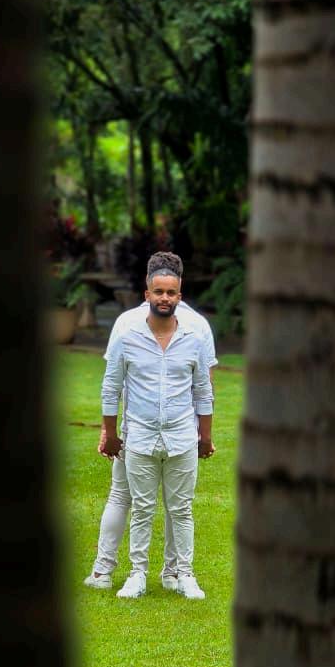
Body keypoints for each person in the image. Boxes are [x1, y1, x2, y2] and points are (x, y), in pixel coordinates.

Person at [84, 252, 217, 592]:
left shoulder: (190, 330)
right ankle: (156, 573)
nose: (164, 296)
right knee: (151, 505)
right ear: (148, 289)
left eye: (171, 291)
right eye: (159, 291)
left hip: (174, 430)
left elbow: (202, 386)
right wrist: (111, 431)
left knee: (135, 499)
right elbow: (113, 382)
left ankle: (108, 571)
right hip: (139, 430)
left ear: (179, 290)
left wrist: (201, 434)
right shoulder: (134, 328)